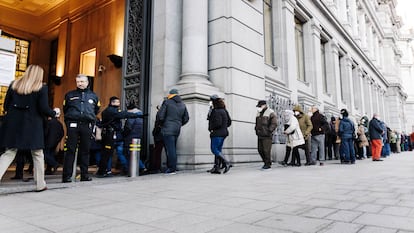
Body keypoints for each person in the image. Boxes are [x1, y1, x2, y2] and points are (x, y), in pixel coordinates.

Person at [0, 64, 58, 192]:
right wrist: (54, 113)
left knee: (9, 152)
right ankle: (40, 184)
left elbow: (5, 105)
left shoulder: (14, 84)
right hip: (32, 124)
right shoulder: (41, 87)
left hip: (13, 123)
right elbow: (43, 108)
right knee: (37, 153)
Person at [62, 74, 100, 183]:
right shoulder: (69, 95)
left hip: (86, 125)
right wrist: (69, 122)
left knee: (85, 150)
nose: (80, 83)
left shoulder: (94, 96)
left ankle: (84, 175)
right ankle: (67, 176)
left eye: (82, 81)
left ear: (87, 82)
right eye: (78, 81)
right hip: (73, 124)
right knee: (70, 150)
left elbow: (96, 109)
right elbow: (65, 109)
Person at [96, 96, 141, 177]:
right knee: (108, 153)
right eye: (117, 102)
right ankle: (105, 171)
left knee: (110, 153)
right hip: (111, 134)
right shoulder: (111, 111)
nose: (119, 104)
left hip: (114, 134)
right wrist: (134, 115)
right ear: (112, 102)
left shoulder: (109, 111)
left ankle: (106, 170)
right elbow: (122, 115)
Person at [158, 89, 190, 174]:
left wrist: (161, 124)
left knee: (170, 149)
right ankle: (171, 166)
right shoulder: (182, 104)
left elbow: (160, 116)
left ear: (170, 94)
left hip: (167, 128)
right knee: (172, 148)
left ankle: (172, 168)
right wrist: (179, 124)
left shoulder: (167, 102)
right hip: (176, 129)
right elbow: (186, 118)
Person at [207, 95, 232, 174]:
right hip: (223, 133)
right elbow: (229, 122)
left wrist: (211, 128)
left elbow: (217, 123)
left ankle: (226, 162)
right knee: (218, 150)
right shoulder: (224, 110)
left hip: (217, 133)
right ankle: (217, 167)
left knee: (214, 149)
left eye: (211, 101)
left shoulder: (216, 111)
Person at [122, 102, 146, 175]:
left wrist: (123, 134)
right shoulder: (140, 115)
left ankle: (135, 168)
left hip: (130, 137)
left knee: (129, 153)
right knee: (134, 153)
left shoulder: (132, 116)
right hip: (138, 136)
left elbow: (128, 127)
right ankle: (141, 167)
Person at [255, 100, 277, 170]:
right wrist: (256, 129)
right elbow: (257, 123)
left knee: (266, 150)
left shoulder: (271, 112)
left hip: (267, 135)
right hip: (260, 134)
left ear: (264, 105)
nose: (259, 108)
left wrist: (269, 131)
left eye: (260, 106)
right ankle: (266, 162)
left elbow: (274, 123)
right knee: (260, 149)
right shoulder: (258, 113)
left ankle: (267, 164)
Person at [44, 108, 64, 175]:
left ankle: (55, 164)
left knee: (45, 155)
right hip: (55, 142)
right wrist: (57, 140)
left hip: (48, 142)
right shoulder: (59, 124)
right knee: (51, 155)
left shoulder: (49, 123)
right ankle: (48, 170)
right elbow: (62, 133)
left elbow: (45, 132)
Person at [151, 103, 164, 172]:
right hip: (165, 133)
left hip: (159, 134)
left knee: (157, 152)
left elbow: (158, 123)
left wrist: (154, 132)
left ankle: (157, 167)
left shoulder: (160, 113)